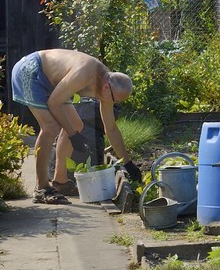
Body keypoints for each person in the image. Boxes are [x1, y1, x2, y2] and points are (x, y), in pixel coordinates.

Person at [9, 49, 142, 204]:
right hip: (30, 71)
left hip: (52, 83)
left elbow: (111, 128)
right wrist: (72, 135)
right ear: (107, 88)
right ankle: (41, 188)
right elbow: (54, 103)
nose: (113, 103)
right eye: (115, 100)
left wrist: (127, 162)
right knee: (50, 127)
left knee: (76, 124)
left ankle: (60, 181)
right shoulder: (85, 73)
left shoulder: (107, 87)